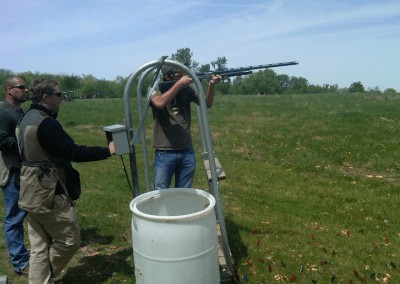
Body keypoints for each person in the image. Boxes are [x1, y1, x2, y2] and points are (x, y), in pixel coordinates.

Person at [15, 78, 116, 284]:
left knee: (40, 245)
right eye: (58, 95)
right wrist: (107, 151)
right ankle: (41, 278)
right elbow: (73, 151)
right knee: (69, 240)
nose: (62, 98)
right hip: (49, 191)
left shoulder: (26, 118)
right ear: (46, 97)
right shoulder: (46, 123)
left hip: (28, 190)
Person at [150, 65, 221, 190]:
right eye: (180, 74)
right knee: (160, 192)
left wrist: (211, 85)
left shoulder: (187, 89)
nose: (184, 76)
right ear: (168, 77)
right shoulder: (155, 89)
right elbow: (160, 103)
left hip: (186, 149)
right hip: (164, 151)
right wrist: (178, 85)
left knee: (184, 192)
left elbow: (207, 103)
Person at [0, 76, 30, 276]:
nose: (25, 90)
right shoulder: (3, 112)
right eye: (21, 87)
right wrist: (27, 141)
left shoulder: (18, 111)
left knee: (27, 212)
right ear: (10, 90)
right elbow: (2, 141)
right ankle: (19, 262)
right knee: (14, 217)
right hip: (11, 171)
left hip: (22, 170)